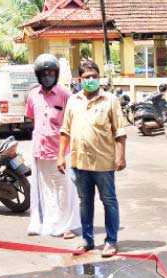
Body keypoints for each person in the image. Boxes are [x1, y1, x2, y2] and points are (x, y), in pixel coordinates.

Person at [58, 61, 127, 258]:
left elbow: (120, 132)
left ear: (99, 78)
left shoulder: (110, 100)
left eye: (94, 76)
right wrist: (61, 155)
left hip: (104, 161)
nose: (90, 80)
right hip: (79, 162)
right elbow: (65, 130)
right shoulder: (73, 101)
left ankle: (111, 241)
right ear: (80, 80)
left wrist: (121, 156)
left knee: (109, 201)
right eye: (86, 77)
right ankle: (87, 240)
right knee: (84, 202)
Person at [25, 54, 80, 239]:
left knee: (65, 189)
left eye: (51, 72)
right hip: (40, 151)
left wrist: (65, 152)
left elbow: (72, 122)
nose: (47, 76)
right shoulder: (33, 95)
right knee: (45, 189)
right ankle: (48, 222)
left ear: (56, 74)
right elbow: (33, 118)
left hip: (61, 151)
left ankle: (68, 226)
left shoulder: (65, 95)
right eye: (44, 73)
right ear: (38, 75)